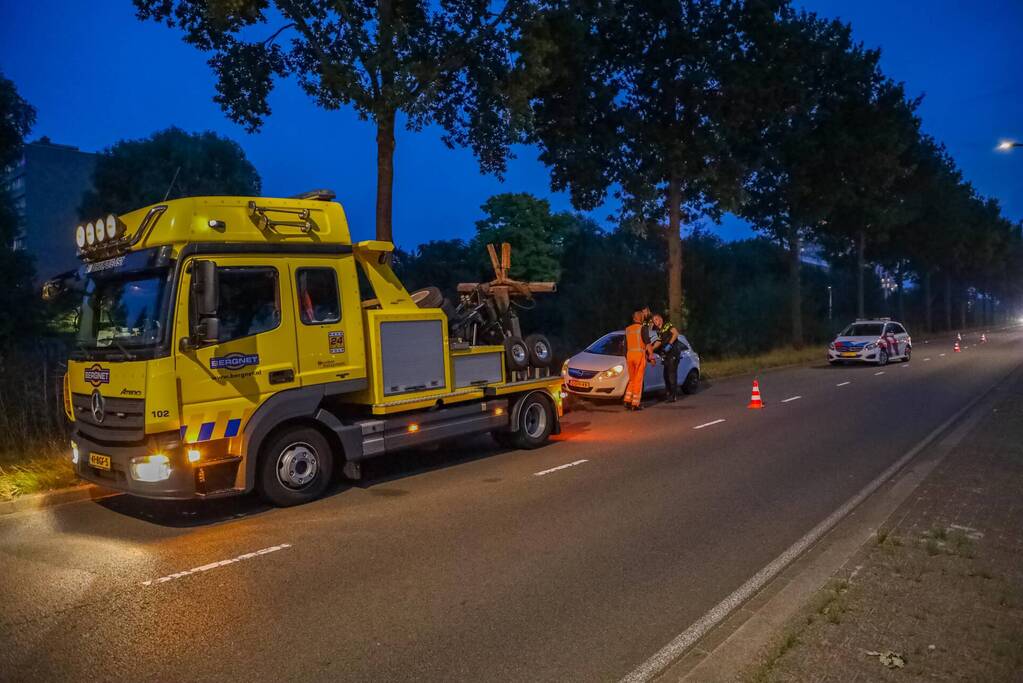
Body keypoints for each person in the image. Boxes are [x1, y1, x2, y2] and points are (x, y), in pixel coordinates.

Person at [623, 309, 653, 411]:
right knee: (638, 380)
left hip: (629, 355)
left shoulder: (628, 329)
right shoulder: (643, 328)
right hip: (639, 355)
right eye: (643, 316)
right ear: (640, 318)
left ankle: (627, 400)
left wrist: (626, 356)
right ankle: (635, 403)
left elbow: (625, 345)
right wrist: (651, 356)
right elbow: (647, 343)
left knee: (632, 379)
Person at [649, 313, 681, 402]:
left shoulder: (667, 325)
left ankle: (673, 396)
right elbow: (659, 341)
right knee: (666, 375)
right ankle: (668, 394)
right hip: (666, 355)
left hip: (673, 352)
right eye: (654, 320)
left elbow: (675, 333)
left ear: (661, 319)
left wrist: (670, 344)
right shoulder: (659, 330)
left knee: (671, 375)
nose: (655, 321)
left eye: (656, 319)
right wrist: (650, 348)